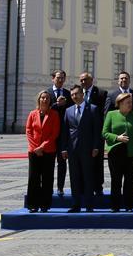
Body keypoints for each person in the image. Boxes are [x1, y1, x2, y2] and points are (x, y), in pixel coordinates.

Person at [102, 93, 133, 212]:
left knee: (130, 181)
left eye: (131, 102)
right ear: (120, 103)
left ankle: (129, 206)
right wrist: (117, 137)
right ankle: (115, 206)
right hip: (115, 152)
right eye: (128, 102)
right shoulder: (111, 114)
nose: (130, 104)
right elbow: (104, 133)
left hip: (132, 153)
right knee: (116, 180)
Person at [59, 85, 100, 212]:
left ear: (82, 94)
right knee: (74, 178)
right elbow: (65, 131)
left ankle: (89, 205)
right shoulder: (68, 110)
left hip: (88, 149)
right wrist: (63, 148)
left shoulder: (93, 109)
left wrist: (96, 146)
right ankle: (75, 204)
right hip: (72, 149)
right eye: (72, 95)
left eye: (76, 94)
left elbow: (97, 130)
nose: (74, 96)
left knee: (88, 177)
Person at [25, 91, 61, 213]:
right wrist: (36, 147)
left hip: (49, 151)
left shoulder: (54, 114)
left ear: (50, 101)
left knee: (47, 178)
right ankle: (32, 204)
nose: (44, 100)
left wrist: (42, 147)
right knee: (33, 178)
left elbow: (55, 133)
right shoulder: (32, 114)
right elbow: (28, 131)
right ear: (39, 99)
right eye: (42, 97)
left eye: (47, 98)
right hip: (34, 151)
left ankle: (45, 204)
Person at [78, 72, 106, 196]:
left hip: (96, 133)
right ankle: (83, 186)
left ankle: (98, 186)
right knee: (82, 161)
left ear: (91, 80)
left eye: (85, 79)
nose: (83, 82)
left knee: (97, 162)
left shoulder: (101, 93)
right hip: (82, 134)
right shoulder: (78, 93)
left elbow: (104, 114)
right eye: (81, 80)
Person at [46, 69, 72, 197]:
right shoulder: (47, 93)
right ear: (53, 79)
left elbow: (72, 111)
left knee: (62, 162)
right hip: (50, 133)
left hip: (64, 134)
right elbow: (43, 110)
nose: (60, 80)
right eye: (58, 78)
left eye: (62, 78)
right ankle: (47, 187)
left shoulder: (68, 94)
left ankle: (60, 187)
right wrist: (56, 104)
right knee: (49, 163)